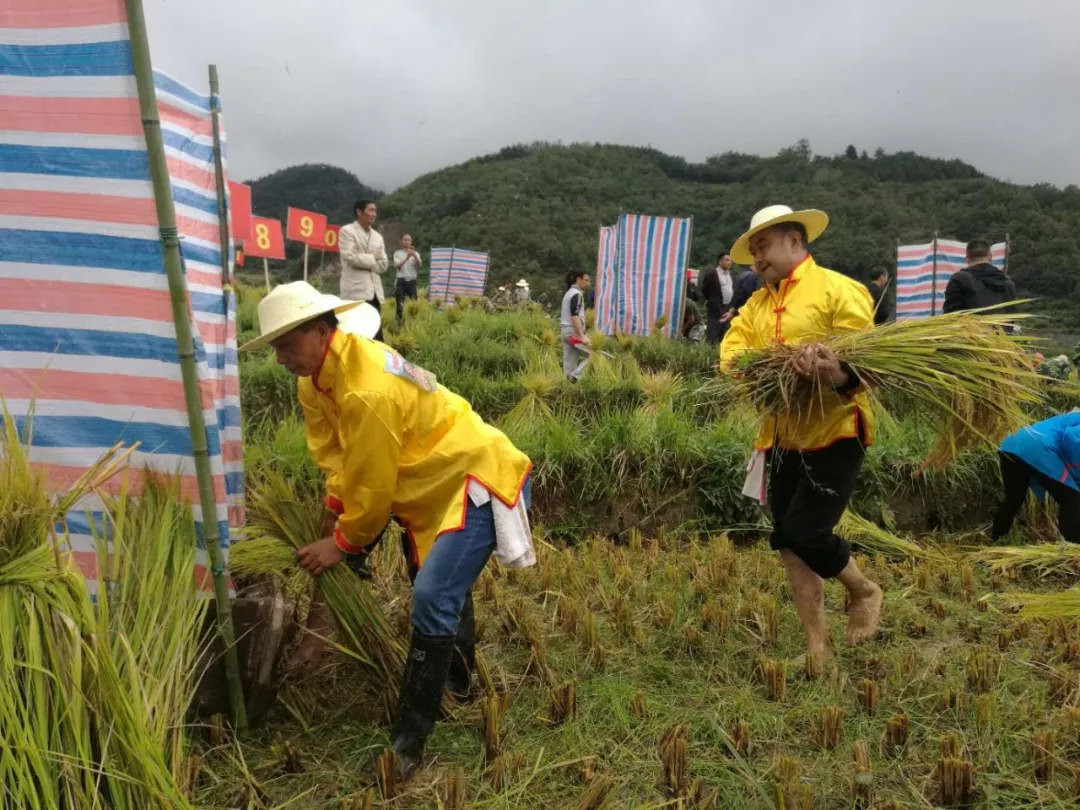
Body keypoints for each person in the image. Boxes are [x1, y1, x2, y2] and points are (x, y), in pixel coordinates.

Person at [240, 281, 533, 777]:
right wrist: (334, 511)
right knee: (441, 587)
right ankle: (459, 685)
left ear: (319, 330)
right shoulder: (314, 381)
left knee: (432, 595)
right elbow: (337, 460)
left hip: (473, 478)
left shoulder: (366, 387)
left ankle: (408, 745)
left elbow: (373, 489)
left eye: (288, 344)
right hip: (429, 485)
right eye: (275, 348)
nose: (281, 358)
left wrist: (342, 543)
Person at [721, 204, 883, 661]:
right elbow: (733, 351)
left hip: (835, 430)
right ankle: (817, 647)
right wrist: (754, 368)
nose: (757, 260)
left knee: (805, 531)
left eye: (764, 247)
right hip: (779, 435)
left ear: (795, 241)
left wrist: (832, 370)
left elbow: (866, 366)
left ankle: (864, 590)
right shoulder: (755, 303)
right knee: (789, 543)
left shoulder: (839, 291)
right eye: (753, 251)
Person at [992, 411, 1080, 544]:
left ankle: (995, 540)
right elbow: (1071, 437)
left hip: (1011, 445)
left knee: (1014, 499)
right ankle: (1072, 549)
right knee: (1070, 497)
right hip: (1037, 447)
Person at [339, 199, 388, 340]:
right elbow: (350, 257)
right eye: (370, 210)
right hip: (355, 292)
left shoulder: (378, 237)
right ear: (359, 212)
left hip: (375, 293)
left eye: (375, 211)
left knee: (376, 336)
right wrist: (374, 257)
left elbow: (384, 264)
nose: (374, 214)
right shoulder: (347, 231)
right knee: (357, 335)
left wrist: (363, 258)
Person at [942, 239, 1017, 314]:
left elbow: (950, 314)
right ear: (990, 256)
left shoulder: (959, 279)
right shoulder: (1007, 282)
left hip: (971, 325)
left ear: (966, 259)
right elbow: (1011, 315)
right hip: (1000, 325)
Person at [561, 271, 592, 381]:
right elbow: (575, 316)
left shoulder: (568, 293)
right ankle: (575, 377)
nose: (589, 283)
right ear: (578, 280)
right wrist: (582, 336)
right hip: (573, 333)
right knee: (595, 354)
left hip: (565, 332)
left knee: (569, 362)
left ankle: (567, 386)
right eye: (586, 280)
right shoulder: (576, 294)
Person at [700, 253, 735, 345]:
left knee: (725, 332)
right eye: (727, 260)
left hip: (727, 308)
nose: (729, 262)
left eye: (730, 260)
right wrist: (713, 300)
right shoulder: (712, 274)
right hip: (715, 308)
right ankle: (710, 352)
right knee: (713, 333)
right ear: (720, 261)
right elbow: (705, 290)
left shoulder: (730, 274)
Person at [393, 234, 422, 324]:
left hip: (412, 281)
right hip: (401, 281)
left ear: (411, 241)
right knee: (400, 304)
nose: (407, 241)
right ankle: (399, 324)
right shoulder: (397, 253)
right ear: (401, 241)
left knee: (414, 304)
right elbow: (397, 266)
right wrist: (407, 258)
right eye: (405, 240)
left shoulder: (416, 253)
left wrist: (415, 256)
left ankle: (414, 323)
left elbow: (420, 265)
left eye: (409, 240)